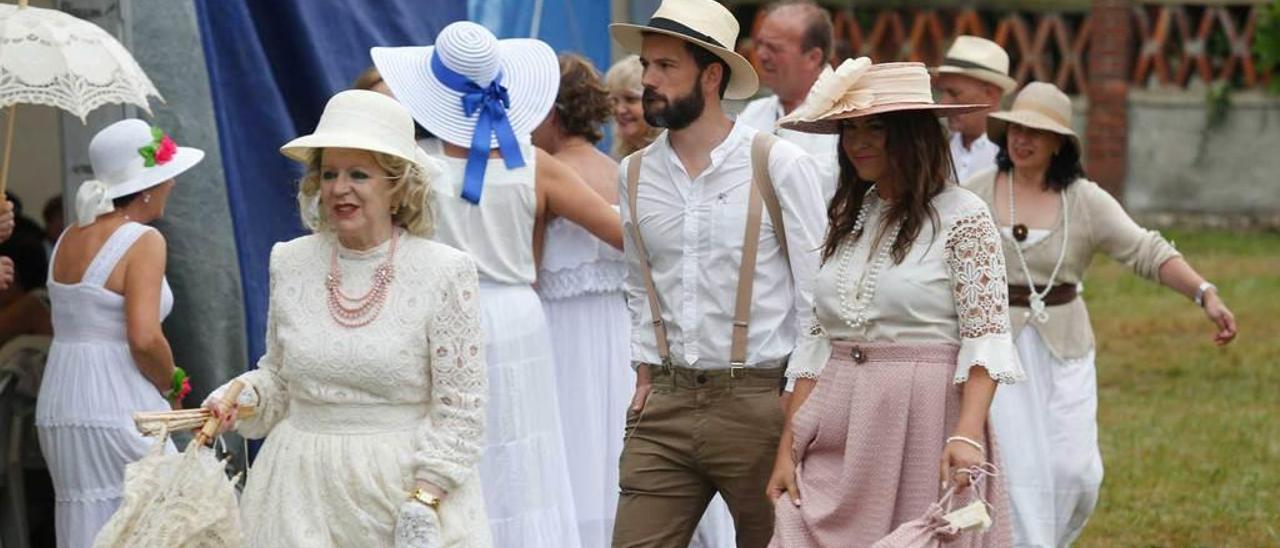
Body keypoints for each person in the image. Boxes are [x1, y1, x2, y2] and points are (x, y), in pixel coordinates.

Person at [373, 21, 623, 548]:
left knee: (454, 444)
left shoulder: (413, 166)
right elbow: (624, 233)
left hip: (438, 316)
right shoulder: (538, 167)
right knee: (523, 455)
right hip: (517, 317)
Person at [205, 90, 491, 547]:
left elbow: (461, 408)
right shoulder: (290, 260)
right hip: (296, 493)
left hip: (399, 492)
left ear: (396, 186)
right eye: (329, 173)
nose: (339, 188)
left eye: (359, 174)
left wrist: (425, 499)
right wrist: (241, 397)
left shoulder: (444, 271)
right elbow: (280, 376)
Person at [964, 82, 1238, 547]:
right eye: (1016, 128)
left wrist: (1204, 293)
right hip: (995, 353)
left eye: (1036, 131)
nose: (1022, 139)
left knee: (1077, 472)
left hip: (1065, 348)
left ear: (1058, 144)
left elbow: (1145, 250)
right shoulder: (975, 193)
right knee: (1015, 469)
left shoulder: (1084, 201)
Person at [766, 57, 1024, 547]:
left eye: (876, 127)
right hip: (837, 416)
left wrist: (967, 434)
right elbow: (817, 344)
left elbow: (985, 339)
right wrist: (788, 448)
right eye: (850, 129)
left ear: (911, 133)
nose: (858, 142)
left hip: (924, 419)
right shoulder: (848, 215)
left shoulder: (964, 216)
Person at [609, 0, 827, 545]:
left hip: (759, 400)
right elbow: (638, 284)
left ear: (711, 75)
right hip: (665, 402)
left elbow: (818, 300)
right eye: (646, 66)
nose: (649, 81)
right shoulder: (633, 174)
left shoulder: (777, 163)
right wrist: (644, 367)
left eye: (665, 67)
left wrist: (796, 405)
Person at [35, 119, 203, 547]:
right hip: (116, 397)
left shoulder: (70, 235)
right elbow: (144, 338)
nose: (173, 185)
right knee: (162, 515)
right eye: (167, 177)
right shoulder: (143, 239)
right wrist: (172, 383)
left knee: (90, 517)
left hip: (63, 398)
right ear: (148, 186)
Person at [529, 52, 633, 547]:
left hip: (558, 341)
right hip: (621, 338)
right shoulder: (624, 171)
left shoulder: (542, 172)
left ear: (549, 112)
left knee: (568, 460)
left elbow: (525, 269)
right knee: (614, 458)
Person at [736, 0, 840, 202]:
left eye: (774, 48)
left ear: (813, 57)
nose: (761, 55)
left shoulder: (847, 118)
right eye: (759, 44)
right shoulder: (752, 113)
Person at [931, 36, 1018, 183]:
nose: (943, 102)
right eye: (942, 92)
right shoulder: (935, 149)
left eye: (954, 93)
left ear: (990, 94)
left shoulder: (1014, 155)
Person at [604, 55, 662, 159]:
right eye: (614, 100)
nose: (619, 110)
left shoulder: (673, 156)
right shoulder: (619, 158)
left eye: (630, 99)